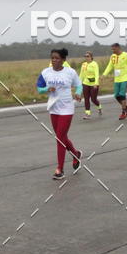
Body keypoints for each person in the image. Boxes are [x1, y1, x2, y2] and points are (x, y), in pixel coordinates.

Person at [36, 48, 83, 179]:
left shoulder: (70, 72)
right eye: (52, 58)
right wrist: (46, 89)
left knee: (59, 139)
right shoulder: (46, 72)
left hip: (67, 108)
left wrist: (78, 93)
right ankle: (75, 154)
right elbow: (39, 89)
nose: (54, 60)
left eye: (57, 58)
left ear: (63, 60)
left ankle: (60, 169)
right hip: (53, 108)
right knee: (61, 137)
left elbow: (79, 85)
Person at [102, 42, 127, 120]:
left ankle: (123, 112)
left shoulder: (126, 55)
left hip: (125, 77)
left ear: (118, 48)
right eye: (112, 49)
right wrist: (104, 74)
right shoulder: (113, 56)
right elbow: (109, 66)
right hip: (117, 79)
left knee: (121, 95)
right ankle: (126, 107)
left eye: (114, 49)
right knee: (116, 95)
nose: (112, 50)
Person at [79, 52, 101, 119]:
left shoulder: (94, 64)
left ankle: (99, 106)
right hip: (86, 83)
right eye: (85, 56)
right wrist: (79, 84)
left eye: (88, 56)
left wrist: (96, 83)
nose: (86, 57)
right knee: (86, 99)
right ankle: (87, 113)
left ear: (91, 57)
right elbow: (81, 75)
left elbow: (97, 74)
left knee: (93, 99)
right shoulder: (84, 64)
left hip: (94, 84)